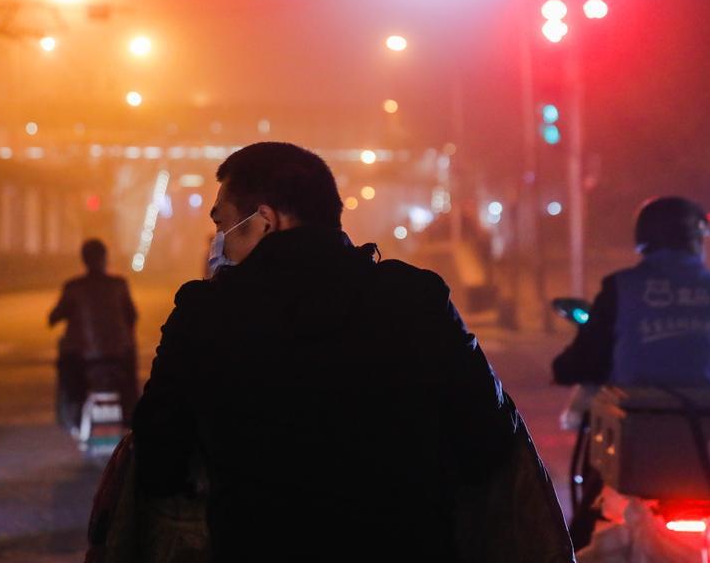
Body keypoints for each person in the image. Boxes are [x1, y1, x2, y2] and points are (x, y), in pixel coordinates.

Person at [132, 142, 568, 561]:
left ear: (265, 219)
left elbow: (157, 462)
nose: (218, 242)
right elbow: (489, 443)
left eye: (221, 224)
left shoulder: (204, 316)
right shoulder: (415, 298)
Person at [551, 196, 710, 548]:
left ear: (645, 240)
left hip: (636, 443)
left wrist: (563, 369)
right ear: (695, 241)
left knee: (582, 537)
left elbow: (585, 360)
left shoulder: (621, 288)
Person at [49, 239, 138, 431]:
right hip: (118, 356)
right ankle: (131, 416)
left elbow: (54, 316)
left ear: (84, 259)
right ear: (105, 258)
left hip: (83, 357)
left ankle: (72, 418)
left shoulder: (74, 287)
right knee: (130, 373)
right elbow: (132, 316)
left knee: (68, 378)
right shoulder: (119, 285)